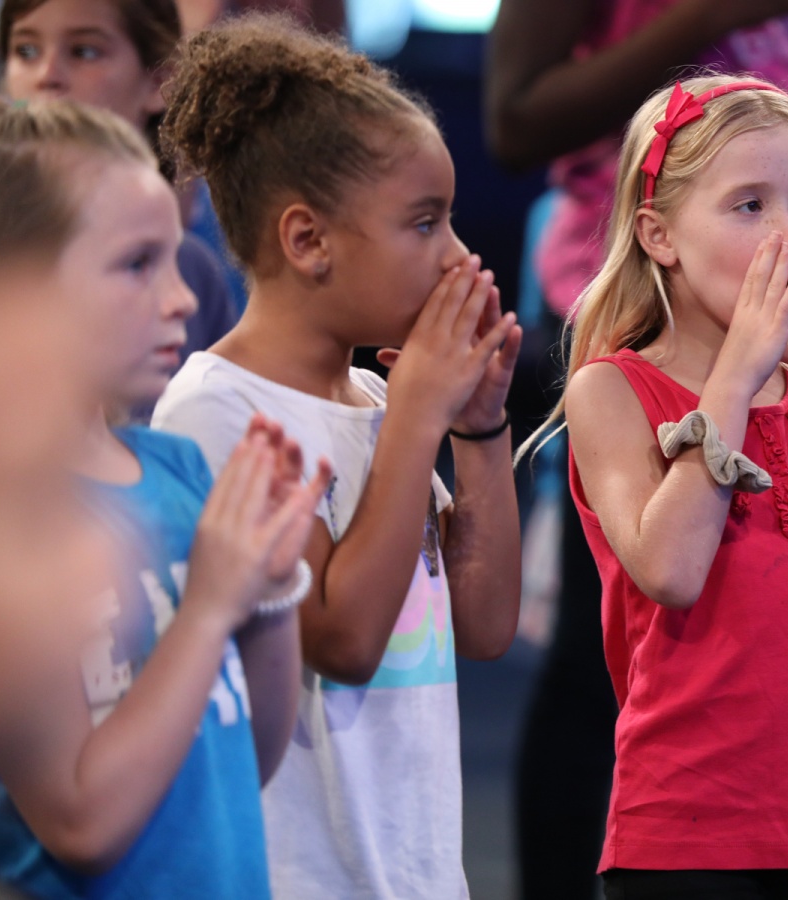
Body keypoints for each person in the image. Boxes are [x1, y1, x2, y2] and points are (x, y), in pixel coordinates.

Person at [517, 73, 788, 898]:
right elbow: (671, 569)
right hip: (685, 835)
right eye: (749, 206)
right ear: (660, 235)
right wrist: (738, 376)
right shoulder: (614, 390)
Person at [152, 15, 523, 899]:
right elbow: (344, 640)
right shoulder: (217, 411)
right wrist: (421, 414)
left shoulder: (378, 401)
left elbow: (484, 627)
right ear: (308, 241)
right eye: (424, 223)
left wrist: (478, 431)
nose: (458, 256)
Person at [0, 98, 328, 899]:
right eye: (137, 264)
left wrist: (269, 590)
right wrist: (209, 606)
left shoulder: (177, 469)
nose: (181, 298)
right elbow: (81, 825)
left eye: (173, 260)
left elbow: (247, 758)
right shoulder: (16, 522)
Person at [0, 0, 240, 364]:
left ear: (159, 81)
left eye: (84, 51)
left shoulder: (194, 273)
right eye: (26, 51)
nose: (47, 75)